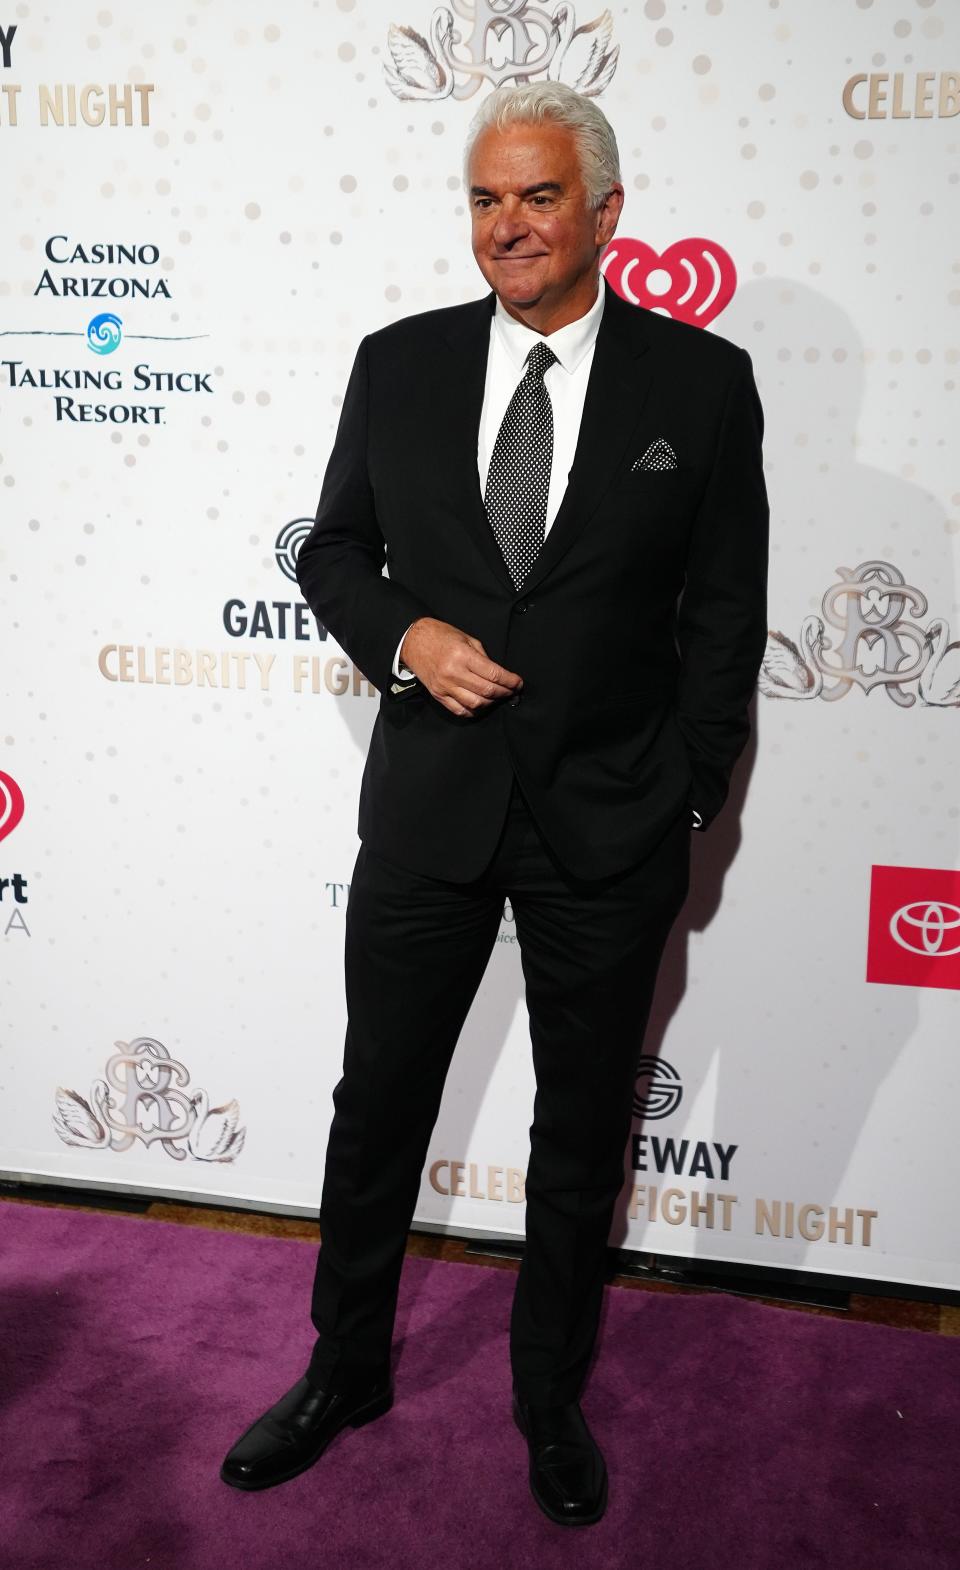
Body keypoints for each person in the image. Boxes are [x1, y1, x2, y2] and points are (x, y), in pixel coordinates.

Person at [221, 80, 769, 1527]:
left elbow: (726, 615)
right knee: (378, 1100)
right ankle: (343, 1367)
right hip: (430, 812)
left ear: (605, 212)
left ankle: (547, 1395)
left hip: (611, 821)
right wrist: (403, 635)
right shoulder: (395, 366)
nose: (507, 226)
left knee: (582, 1127)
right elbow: (332, 549)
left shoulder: (701, 385)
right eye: (483, 199)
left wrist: (692, 789)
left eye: (536, 197)